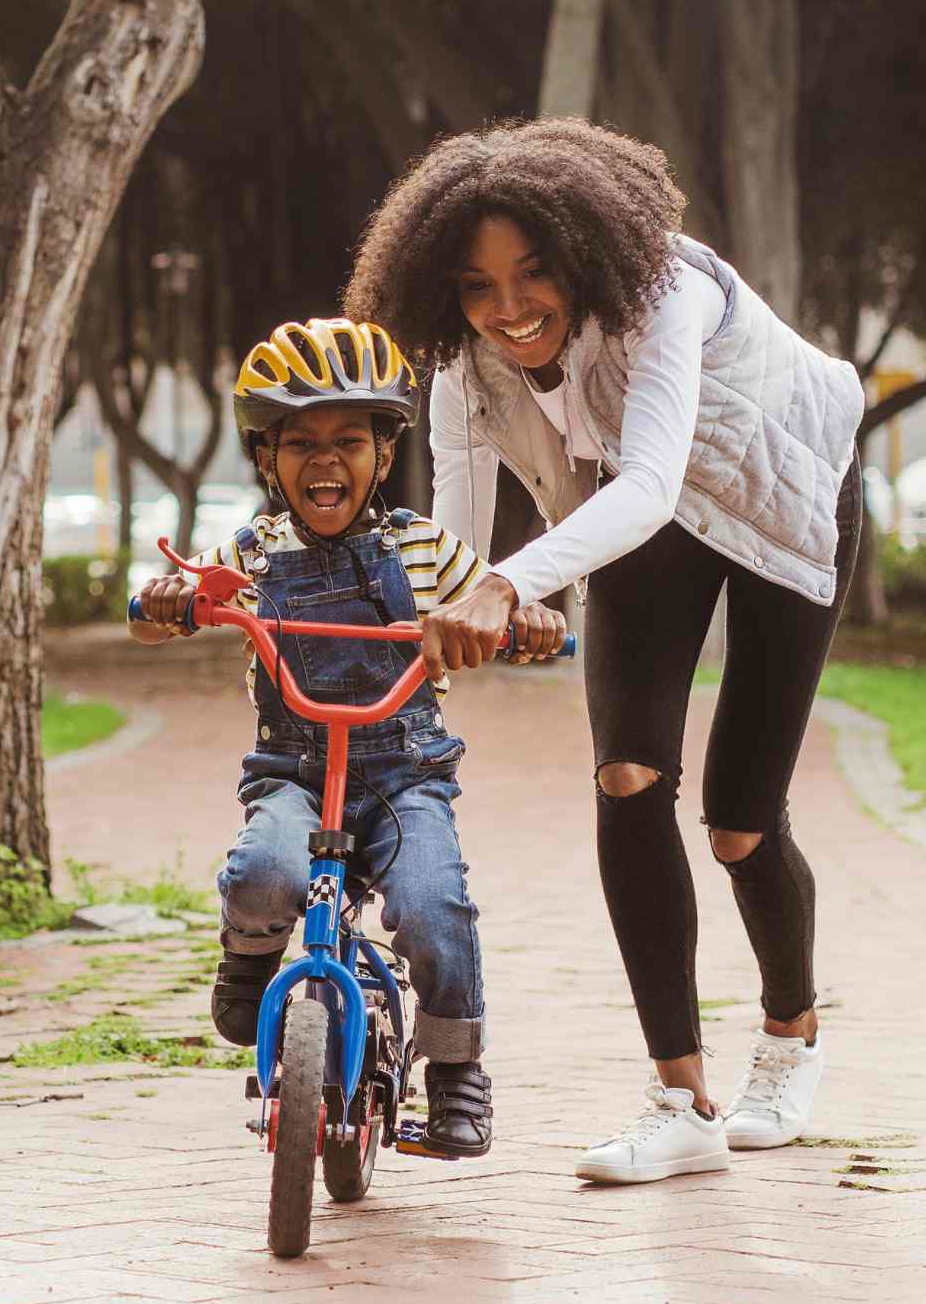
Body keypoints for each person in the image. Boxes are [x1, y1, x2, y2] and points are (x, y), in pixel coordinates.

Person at [342, 117, 865, 1184]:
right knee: (626, 777)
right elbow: (456, 522)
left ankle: (789, 1036)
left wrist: (513, 583)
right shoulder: (460, 366)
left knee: (735, 822)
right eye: (476, 288)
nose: (508, 310)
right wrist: (451, 605)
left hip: (782, 500)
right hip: (641, 521)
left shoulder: (665, 294)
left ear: (583, 255)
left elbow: (647, 482)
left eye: (532, 276)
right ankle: (679, 1103)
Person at [129, 318, 567, 1158]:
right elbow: (170, 609)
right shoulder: (253, 555)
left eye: (347, 440)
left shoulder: (422, 546)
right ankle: (253, 957)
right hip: (293, 772)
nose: (324, 460)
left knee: (435, 908)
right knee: (264, 871)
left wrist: (525, 617)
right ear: (266, 457)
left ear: (383, 449)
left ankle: (454, 1072)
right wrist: (166, 605)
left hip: (403, 776)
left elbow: (494, 603)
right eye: (299, 442)